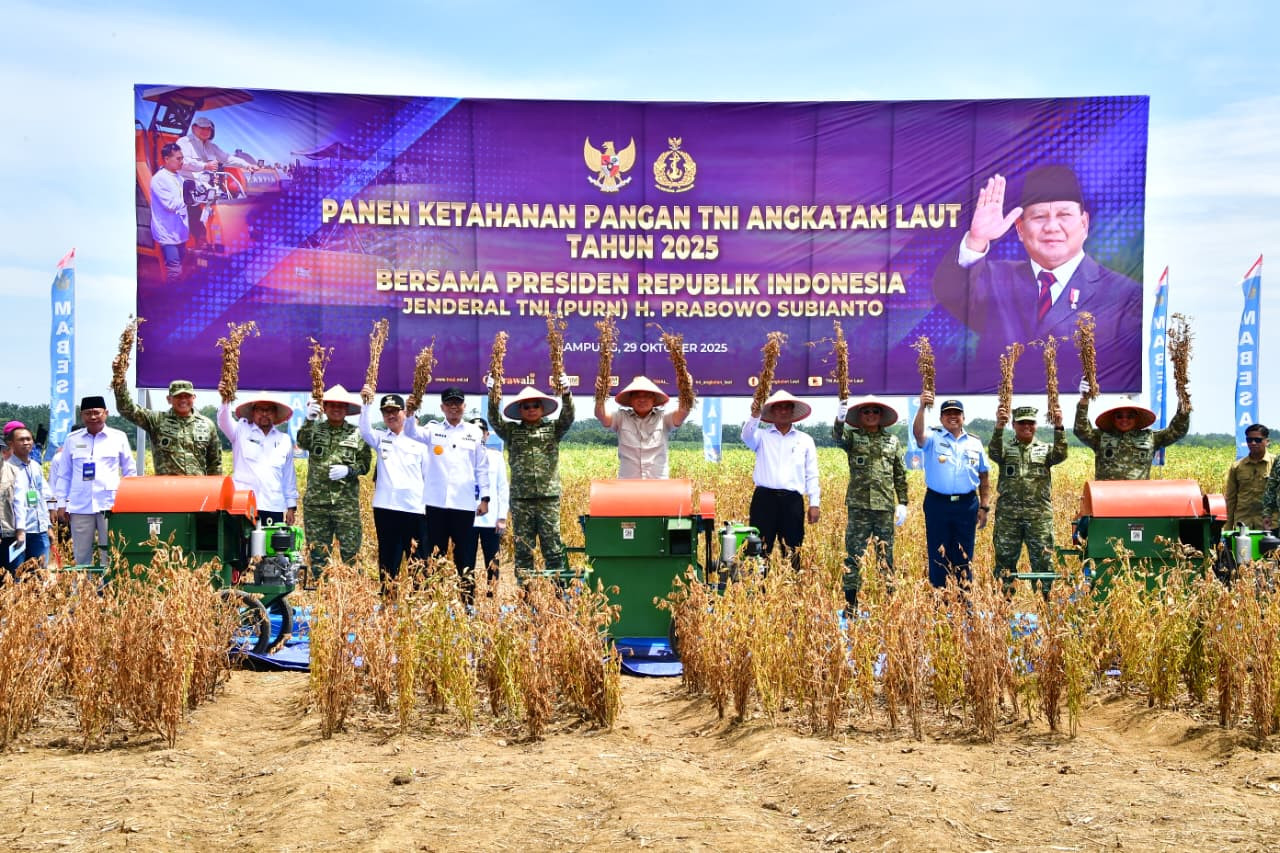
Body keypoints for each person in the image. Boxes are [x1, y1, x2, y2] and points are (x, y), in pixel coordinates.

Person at [932, 166, 1143, 392]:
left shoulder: (1124, 295)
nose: (1052, 227)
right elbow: (949, 291)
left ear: (1084, 223)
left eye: (1064, 215)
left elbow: (1124, 371)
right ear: (1020, 229)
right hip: (1001, 416)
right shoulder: (995, 279)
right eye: (1039, 216)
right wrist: (977, 239)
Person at [405, 387, 490, 601]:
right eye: (449, 403)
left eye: (457, 403)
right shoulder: (432, 430)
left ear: (464, 406)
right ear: (442, 407)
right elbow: (410, 432)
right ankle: (436, 602)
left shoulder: (474, 432)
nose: (453, 407)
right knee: (435, 554)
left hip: (463, 505)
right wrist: (410, 412)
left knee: (465, 556)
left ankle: (467, 603)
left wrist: (485, 498)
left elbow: (481, 467)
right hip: (436, 505)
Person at [489, 385, 574, 581]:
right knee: (524, 550)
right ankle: (525, 597)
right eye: (526, 406)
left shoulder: (553, 429)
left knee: (552, 549)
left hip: (548, 499)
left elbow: (568, 417)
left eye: (535, 405)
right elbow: (494, 419)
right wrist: (493, 395)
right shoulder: (511, 431)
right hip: (521, 500)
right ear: (520, 411)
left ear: (542, 408)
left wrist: (567, 394)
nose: (531, 409)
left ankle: (557, 594)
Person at [833, 395, 907, 610]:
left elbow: (899, 474)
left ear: (881, 416)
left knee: (885, 557)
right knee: (854, 556)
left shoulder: (892, 441)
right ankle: (851, 604)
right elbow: (837, 437)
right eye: (866, 412)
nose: (871, 415)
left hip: (884, 507)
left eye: (875, 412)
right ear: (860, 416)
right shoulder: (853, 438)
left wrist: (903, 502)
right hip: (859, 507)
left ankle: (889, 604)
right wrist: (840, 417)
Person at [912, 393, 991, 588]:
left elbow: (984, 476)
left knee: (964, 554)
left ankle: (965, 602)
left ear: (964, 417)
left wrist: (985, 506)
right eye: (948, 413)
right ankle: (939, 602)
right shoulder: (932, 437)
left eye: (957, 413)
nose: (952, 416)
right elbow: (917, 434)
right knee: (938, 555)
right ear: (941, 418)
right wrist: (922, 407)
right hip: (938, 504)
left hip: (966, 505)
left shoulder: (975, 442)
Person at [987, 404, 1068, 594]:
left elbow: (1061, 454)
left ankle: (1044, 604)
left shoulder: (1045, 449)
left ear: (1036, 425)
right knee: (1005, 562)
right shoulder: (1006, 450)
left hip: (1039, 516)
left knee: (1043, 560)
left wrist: (1059, 427)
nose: (1026, 427)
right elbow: (994, 453)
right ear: (1013, 425)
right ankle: (1003, 606)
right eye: (1022, 423)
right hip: (1008, 517)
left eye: (1030, 423)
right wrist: (998, 426)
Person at [359, 390, 431, 593]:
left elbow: (428, 476)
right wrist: (366, 405)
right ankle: (388, 604)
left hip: (415, 509)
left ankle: (419, 606)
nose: (390, 416)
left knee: (418, 562)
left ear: (405, 412)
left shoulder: (420, 439)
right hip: (386, 509)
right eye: (386, 412)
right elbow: (365, 431)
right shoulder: (381, 438)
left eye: (395, 411)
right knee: (388, 560)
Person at [51, 395, 136, 568]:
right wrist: (61, 503)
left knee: (111, 551)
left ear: (106, 413)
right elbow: (64, 474)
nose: (93, 417)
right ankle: (82, 592)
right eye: (88, 413)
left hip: (110, 505)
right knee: (81, 554)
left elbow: (130, 471)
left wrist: (129, 502)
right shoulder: (72, 439)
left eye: (97, 412)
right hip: (80, 505)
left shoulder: (118, 437)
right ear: (82, 416)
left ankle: (109, 590)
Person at [742, 389, 821, 569]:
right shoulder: (760, 436)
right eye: (779, 408)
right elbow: (746, 436)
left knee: (793, 549)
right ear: (771, 412)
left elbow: (812, 473)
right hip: (764, 499)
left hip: (792, 501)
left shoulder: (805, 440)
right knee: (759, 549)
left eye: (787, 408)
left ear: (793, 412)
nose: (783, 411)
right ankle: (757, 592)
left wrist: (814, 503)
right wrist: (754, 415)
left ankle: (792, 591)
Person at [297, 385, 370, 575]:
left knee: (351, 555)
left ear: (346, 409)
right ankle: (321, 597)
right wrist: (309, 419)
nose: (336, 408)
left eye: (341, 405)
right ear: (325, 407)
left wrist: (349, 470)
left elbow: (365, 465)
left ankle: (353, 597)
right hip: (316, 505)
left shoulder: (358, 434)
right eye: (332, 405)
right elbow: (302, 442)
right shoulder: (314, 430)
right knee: (318, 556)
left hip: (345, 505)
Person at [1073, 384, 1190, 481]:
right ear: (1113, 419)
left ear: (1136, 419)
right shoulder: (1101, 436)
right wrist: (1084, 400)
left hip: (1138, 498)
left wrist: (1183, 403)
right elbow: (1081, 430)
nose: (1125, 420)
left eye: (1130, 416)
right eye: (1119, 416)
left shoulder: (1151, 437)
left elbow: (1177, 431)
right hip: (1106, 499)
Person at [112, 374, 221, 476]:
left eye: (187, 396)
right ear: (169, 399)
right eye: (178, 396)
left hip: (197, 490)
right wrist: (119, 379)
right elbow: (127, 409)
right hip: (166, 490)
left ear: (194, 398)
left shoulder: (207, 425)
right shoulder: (157, 420)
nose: (183, 400)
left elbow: (215, 464)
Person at [177, 116, 260, 246]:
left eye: (208, 129)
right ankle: (201, 240)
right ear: (194, 128)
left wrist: (247, 165)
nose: (205, 131)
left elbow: (227, 158)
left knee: (224, 203)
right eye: (202, 128)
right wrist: (204, 166)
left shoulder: (212, 147)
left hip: (207, 186)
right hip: (188, 187)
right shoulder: (183, 142)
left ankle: (225, 238)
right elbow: (182, 162)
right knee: (195, 213)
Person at [217, 393, 298, 526]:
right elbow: (223, 420)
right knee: (242, 546)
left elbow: (288, 477)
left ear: (276, 414)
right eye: (260, 409)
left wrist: (291, 507)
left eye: (269, 410)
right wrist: (226, 398)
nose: (265, 414)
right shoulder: (240, 430)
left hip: (273, 505)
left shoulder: (284, 440)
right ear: (253, 412)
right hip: (243, 503)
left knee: (270, 545)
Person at [594, 376, 691, 479]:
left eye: (647, 396)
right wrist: (601, 394)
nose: (642, 399)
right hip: (628, 487)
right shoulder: (620, 417)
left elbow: (683, 411)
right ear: (630, 400)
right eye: (637, 396)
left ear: (654, 399)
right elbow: (601, 415)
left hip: (658, 487)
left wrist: (685, 389)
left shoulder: (663, 418)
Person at [469, 417, 509, 591]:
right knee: (465, 560)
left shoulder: (496, 456)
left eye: (481, 432)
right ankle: (467, 599)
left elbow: (502, 488)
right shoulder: (461, 456)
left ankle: (492, 598)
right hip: (466, 518)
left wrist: (502, 517)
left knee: (492, 560)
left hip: (491, 518)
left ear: (487, 435)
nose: (478, 436)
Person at [4, 426, 52, 569]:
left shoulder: (35, 466)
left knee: (39, 575)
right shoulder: (7, 468)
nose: (26, 442)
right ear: (11, 444)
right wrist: (20, 531)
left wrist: (48, 526)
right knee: (16, 575)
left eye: (28, 439)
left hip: (39, 529)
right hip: (17, 532)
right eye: (21, 439)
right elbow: (15, 501)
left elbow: (42, 497)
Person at [149, 142, 190, 282]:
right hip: (167, 233)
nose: (182, 162)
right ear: (167, 159)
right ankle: (172, 300)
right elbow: (170, 205)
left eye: (182, 158)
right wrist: (189, 199)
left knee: (181, 268)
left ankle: (178, 297)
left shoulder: (179, 177)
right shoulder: (159, 179)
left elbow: (184, 200)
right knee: (174, 270)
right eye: (178, 158)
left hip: (180, 232)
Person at [1228, 424, 1273, 530]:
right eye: (1249, 440)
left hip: (1269, 525)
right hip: (1243, 524)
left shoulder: (1275, 464)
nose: (1253, 443)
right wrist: (1228, 526)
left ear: (1267, 441)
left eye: (1257, 440)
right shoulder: (1237, 466)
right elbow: (1231, 499)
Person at [0, 434, 28, 578]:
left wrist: (21, 531)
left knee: (12, 577)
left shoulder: (13, 472)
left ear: (3, 452)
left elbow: (19, 503)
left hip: (8, 532)